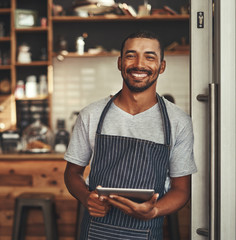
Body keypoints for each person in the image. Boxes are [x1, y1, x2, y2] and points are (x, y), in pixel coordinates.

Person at [64, 30, 197, 240]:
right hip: (95, 232)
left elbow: (181, 190)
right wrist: (86, 197)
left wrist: (154, 211)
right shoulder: (92, 114)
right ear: (120, 63)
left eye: (150, 57)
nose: (139, 64)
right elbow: (72, 173)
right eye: (131, 55)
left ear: (161, 66)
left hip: (146, 232)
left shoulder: (178, 122)